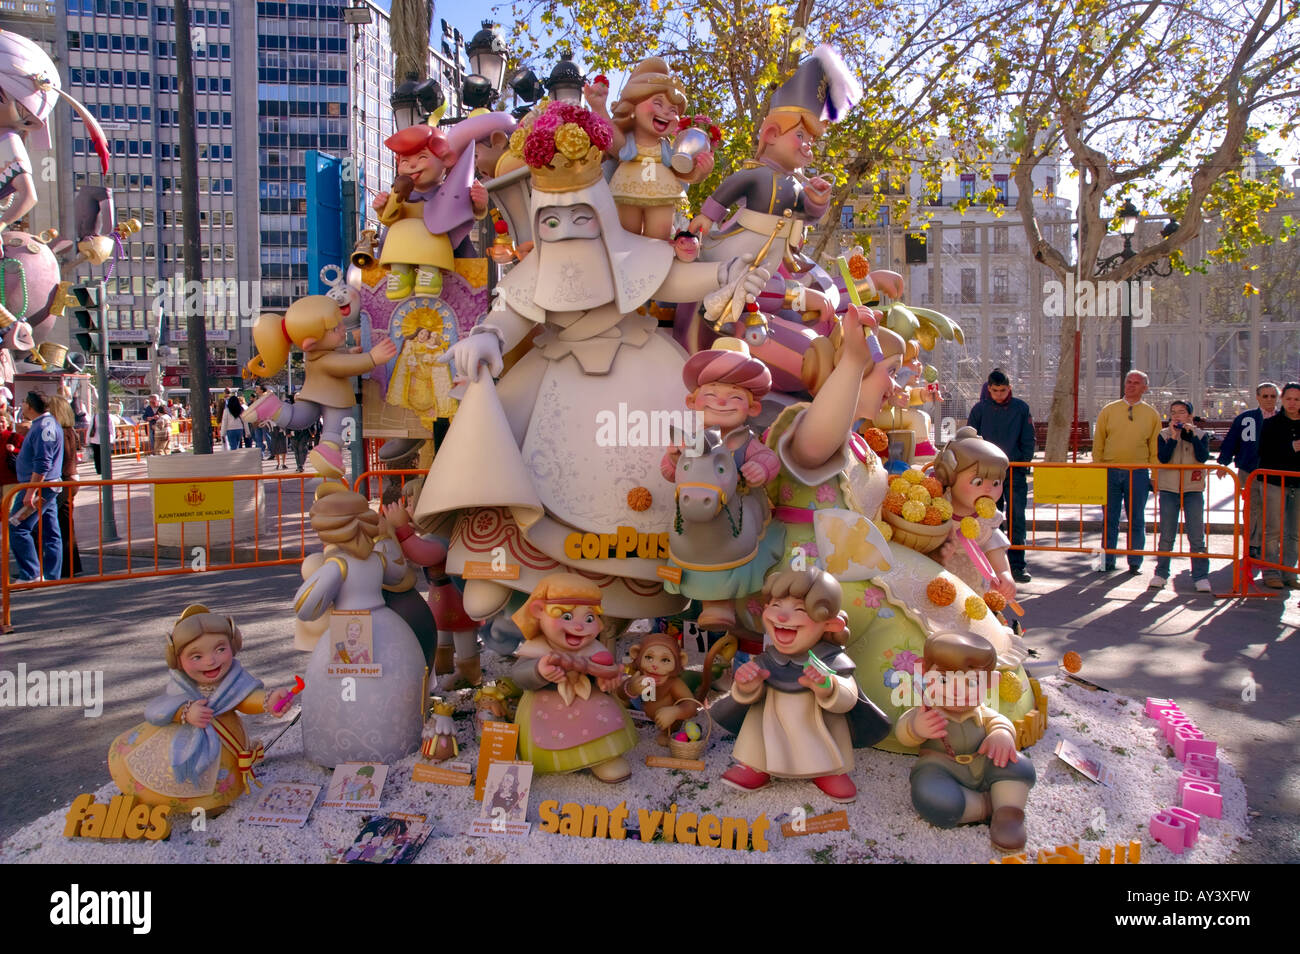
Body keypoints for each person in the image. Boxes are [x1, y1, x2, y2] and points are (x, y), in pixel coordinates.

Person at [107, 604, 294, 816]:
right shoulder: (182, 685)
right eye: (196, 657)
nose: (211, 660)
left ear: (233, 646)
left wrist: (268, 700)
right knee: (174, 767)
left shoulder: (234, 680)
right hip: (185, 739)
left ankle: (213, 800)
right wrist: (184, 712)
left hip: (225, 742)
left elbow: (245, 698)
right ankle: (169, 798)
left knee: (219, 776)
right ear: (177, 660)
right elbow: (158, 710)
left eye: (220, 649)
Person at [967, 368, 1035, 583]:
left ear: (1010, 388)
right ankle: (992, 565)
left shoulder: (1021, 409)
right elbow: (971, 440)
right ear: (989, 389)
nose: (999, 394)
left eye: (1003, 390)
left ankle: (1017, 565)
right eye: (995, 390)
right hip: (986, 475)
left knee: (1017, 518)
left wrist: (1023, 463)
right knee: (988, 519)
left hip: (1013, 471)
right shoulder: (979, 409)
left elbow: (1028, 439)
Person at [1092, 370, 1161, 573]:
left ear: (1144, 388)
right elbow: (1099, 443)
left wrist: (1155, 476)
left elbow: (1155, 449)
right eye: (1128, 382)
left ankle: (1135, 561)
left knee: (1137, 519)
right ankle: (1107, 560)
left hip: (1138, 473)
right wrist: (1098, 470)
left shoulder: (1151, 414)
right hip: (1110, 471)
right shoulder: (1109, 410)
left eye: (1136, 383)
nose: (1131, 386)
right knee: (1109, 519)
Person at [1152, 400, 1211, 591]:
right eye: (1173, 412)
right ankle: (1161, 574)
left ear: (1190, 416)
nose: (1177, 416)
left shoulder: (1201, 435)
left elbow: (1202, 457)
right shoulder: (1164, 435)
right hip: (1170, 489)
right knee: (1167, 533)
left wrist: (1191, 434)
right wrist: (1174, 437)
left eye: (1182, 412)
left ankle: (1200, 576)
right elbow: (1164, 457)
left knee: (1196, 535)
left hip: (1192, 489)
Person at [1218, 382, 1279, 568]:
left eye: (1273, 396)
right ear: (1258, 397)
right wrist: (1223, 462)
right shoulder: (1246, 418)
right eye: (1265, 396)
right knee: (1253, 508)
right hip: (1248, 470)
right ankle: (1253, 544)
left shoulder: (1283, 419)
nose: (1269, 400)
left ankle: (1272, 545)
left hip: (1275, 473)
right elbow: (1232, 440)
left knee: (1274, 510)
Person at [9, 390, 63, 582]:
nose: (21, 406)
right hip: (46, 487)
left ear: (29, 406)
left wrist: (31, 491)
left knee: (17, 526)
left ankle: (31, 573)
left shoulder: (44, 427)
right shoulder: (44, 425)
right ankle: (50, 575)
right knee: (50, 531)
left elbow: (43, 462)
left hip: (40, 487)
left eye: (24, 402)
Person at [1256, 382, 1300, 589]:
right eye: (1289, 399)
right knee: (1273, 529)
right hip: (1274, 483)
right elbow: (1265, 454)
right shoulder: (1272, 424)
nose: (1292, 403)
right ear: (1283, 400)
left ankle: (1290, 571)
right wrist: (1290, 448)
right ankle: (1270, 571)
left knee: (1295, 531)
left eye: (1297, 399)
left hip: (1298, 485)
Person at [48, 393, 82, 578]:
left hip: (63, 479)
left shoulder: (59, 431)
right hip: (70, 478)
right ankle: (70, 565)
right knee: (65, 523)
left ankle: (64, 566)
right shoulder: (70, 431)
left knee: (59, 524)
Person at [86, 398, 116, 475]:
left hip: (95, 439)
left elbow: (90, 428)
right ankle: (106, 469)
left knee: (97, 456)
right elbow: (111, 428)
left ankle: (99, 470)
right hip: (105, 440)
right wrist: (113, 438)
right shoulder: (109, 416)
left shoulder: (95, 416)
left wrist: (88, 439)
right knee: (105, 456)